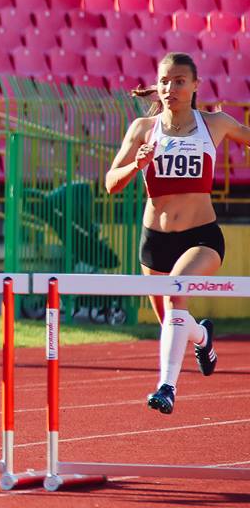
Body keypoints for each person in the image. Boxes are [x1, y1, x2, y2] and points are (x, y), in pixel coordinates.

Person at [105, 52, 250, 415]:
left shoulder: (214, 123)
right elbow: (110, 183)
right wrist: (136, 165)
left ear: (196, 85)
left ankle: (166, 388)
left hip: (201, 238)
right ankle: (203, 336)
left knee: (175, 294)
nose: (171, 88)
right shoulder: (142, 129)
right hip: (155, 242)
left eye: (180, 81)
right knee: (174, 320)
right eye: (165, 81)